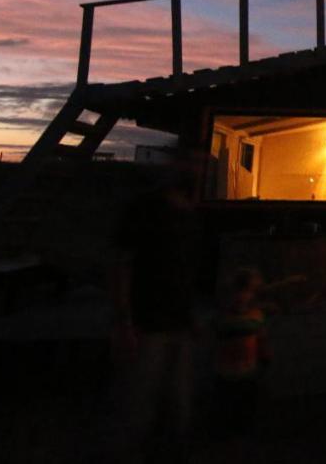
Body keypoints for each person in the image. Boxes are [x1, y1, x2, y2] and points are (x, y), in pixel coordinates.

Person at [110, 163, 202, 464]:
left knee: (179, 401)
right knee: (140, 400)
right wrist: (125, 319)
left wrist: (192, 316)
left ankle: (171, 451)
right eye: (194, 162)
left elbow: (185, 272)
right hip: (148, 321)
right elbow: (123, 264)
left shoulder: (189, 215)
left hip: (179, 321)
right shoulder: (145, 211)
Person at [212, 268, 271, 447]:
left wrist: (265, 353)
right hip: (226, 372)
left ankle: (243, 434)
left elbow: (261, 337)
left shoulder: (255, 317)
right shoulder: (222, 318)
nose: (240, 296)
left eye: (245, 292)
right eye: (237, 292)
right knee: (228, 404)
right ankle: (227, 434)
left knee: (246, 403)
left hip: (248, 371)